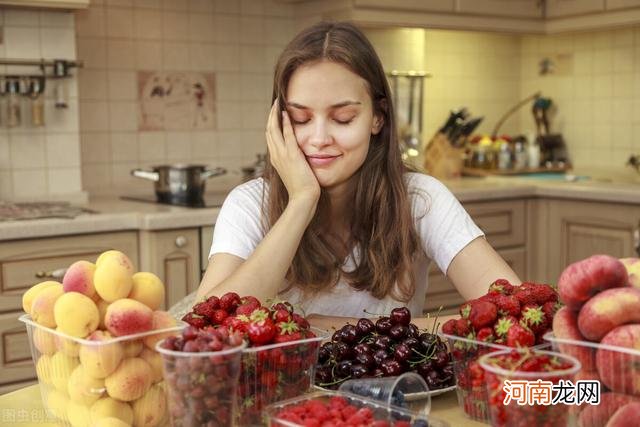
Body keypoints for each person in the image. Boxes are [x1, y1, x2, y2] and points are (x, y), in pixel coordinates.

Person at [196, 21, 520, 326]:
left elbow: (514, 314)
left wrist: (328, 328)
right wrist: (301, 201)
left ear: (377, 118)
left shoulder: (421, 198)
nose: (319, 139)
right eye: (300, 119)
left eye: (343, 118)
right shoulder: (250, 203)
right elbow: (211, 326)